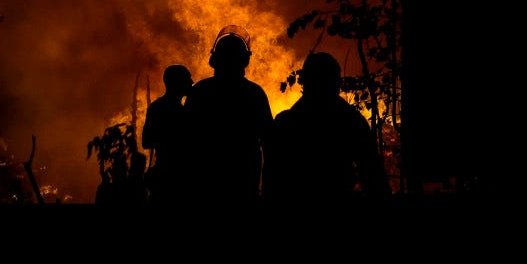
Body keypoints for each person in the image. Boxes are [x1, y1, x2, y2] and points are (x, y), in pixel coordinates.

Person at [262, 51, 391, 208]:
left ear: (304, 82)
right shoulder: (352, 122)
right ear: (337, 83)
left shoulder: (286, 122)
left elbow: (272, 179)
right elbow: (373, 177)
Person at [180, 25, 273, 208]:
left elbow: (184, 140)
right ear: (244, 61)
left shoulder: (200, 91)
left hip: (204, 185)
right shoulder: (254, 93)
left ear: (214, 59)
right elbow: (269, 140)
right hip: (243, 183)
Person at [141, 64, 194, 206]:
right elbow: (146, 141)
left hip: (171, 177)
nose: (192, 82)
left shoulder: (161, 107)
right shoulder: (162, 108)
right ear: (177, 82)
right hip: (170, 178)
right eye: (188, 78)